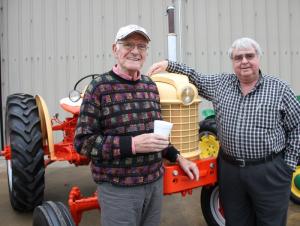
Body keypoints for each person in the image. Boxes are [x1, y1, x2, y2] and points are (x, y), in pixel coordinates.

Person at [148, 37, 300, 226]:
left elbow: (297, 127)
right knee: (235, 220)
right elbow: (195, 76)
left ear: (258, 58)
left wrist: (287, 167)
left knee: (271, 222)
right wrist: (169, 65)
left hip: (269, 172)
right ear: (233, 62)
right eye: (238, 57)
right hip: (230, 172)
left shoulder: (280, 88)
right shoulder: (221, 84)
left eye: (249, 56)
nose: (244, 61)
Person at [74, 24, 199, 226]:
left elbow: (156, 138)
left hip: (154, 185)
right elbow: (83, 143)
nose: (135, 51)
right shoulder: (99, 87)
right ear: (115, 49)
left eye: (141, 46)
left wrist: (179, 158)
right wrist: (131, 145)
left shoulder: (150, 86)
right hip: (118, 189)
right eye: (128, 44)